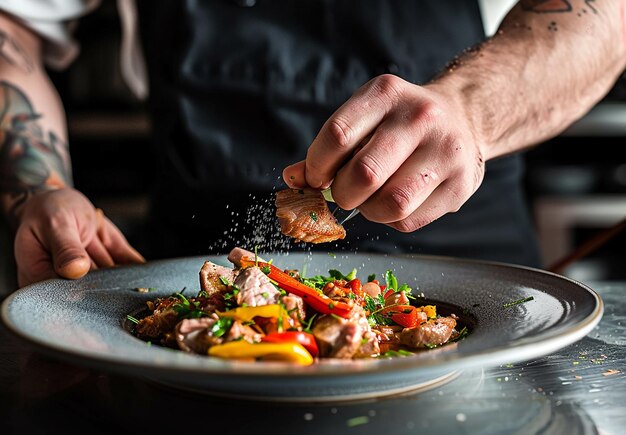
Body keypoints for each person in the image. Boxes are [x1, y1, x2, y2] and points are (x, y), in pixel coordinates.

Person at [0, 0, 625, 289]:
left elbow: (604, 15)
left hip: (471, 273)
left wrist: (469, 109)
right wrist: (42, 186)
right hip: (183, 282)